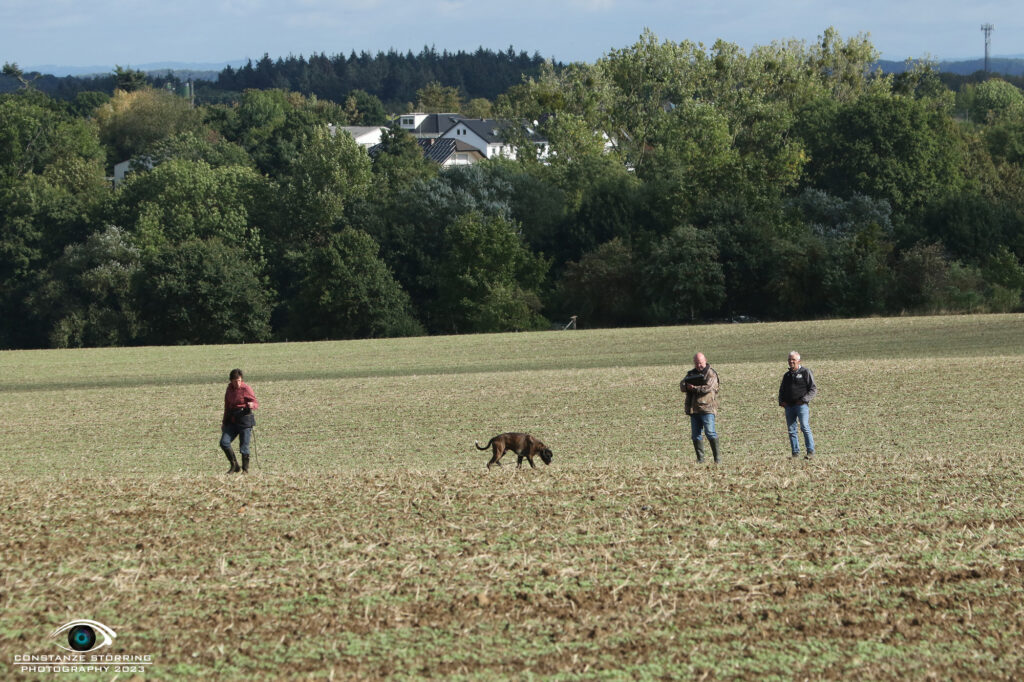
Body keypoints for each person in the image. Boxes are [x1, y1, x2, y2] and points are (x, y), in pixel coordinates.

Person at [680, 352, 721, 463]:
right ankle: (700, 459)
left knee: (710, 433)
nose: (699, 365)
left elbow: (708, 388)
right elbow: (682, 385)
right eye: (697, 363)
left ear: (705, 360)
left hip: (707, 409)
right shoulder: (691, 374)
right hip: (694, 410)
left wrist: (694, 388)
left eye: (701, 363)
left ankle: (717, 459)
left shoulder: (711, 374)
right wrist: (686, 386)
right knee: (695, 436)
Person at [778, 351, 817, 458]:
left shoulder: (805, 372)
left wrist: (804, 400)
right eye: (789, 360)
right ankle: (795, 453)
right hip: (789, 407)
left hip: (801, 406)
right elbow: (781, 390)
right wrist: (781, 401)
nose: (791, 362)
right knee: (791, 430)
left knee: (805, 427)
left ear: (799, 361)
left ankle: (810, 451)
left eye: (793, 360)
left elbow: (813, 389)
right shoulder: (787, 375)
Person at [220, 368, 259, 473]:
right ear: (231, 381)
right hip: (232, 420)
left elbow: (255, 403)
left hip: (244, 420)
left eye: (239, 380)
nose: (237, 383)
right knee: (224, 442)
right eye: (235, 381)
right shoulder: (229, 390)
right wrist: (224, 422)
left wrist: (252, 405)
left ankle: (245, 470)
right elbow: (227, 407)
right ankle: (234, 465)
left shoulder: (246, 389)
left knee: (244, 446)